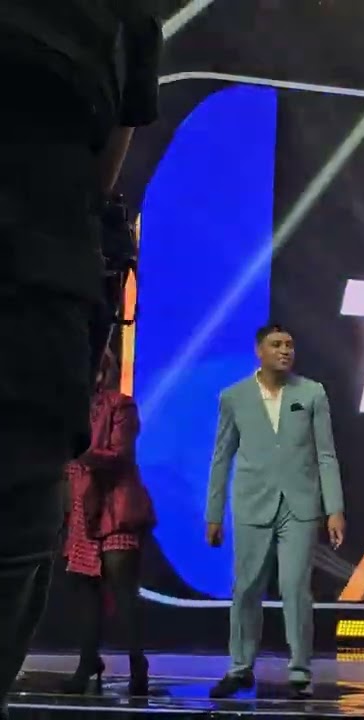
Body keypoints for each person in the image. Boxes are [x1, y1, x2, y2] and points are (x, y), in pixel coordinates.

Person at [0, 1, 160, 709]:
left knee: (63, 574)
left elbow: (112, 454)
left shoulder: (117, 407)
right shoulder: (123, 23)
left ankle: (120, 670)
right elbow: (100, 176)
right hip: (40, 315)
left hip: (37, 341)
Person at [204, 324, 346, 699]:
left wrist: (334, 508)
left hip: (300, 506)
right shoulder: (234, 397)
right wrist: (214, 513)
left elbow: (326, 455)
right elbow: (221, 457)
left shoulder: (312, 392)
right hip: (252, 503)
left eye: (289, 345)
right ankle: (240, 667)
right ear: (259, 350)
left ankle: (300, 670)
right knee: (246, 586)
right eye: (276, 344)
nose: (285, 350)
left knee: (295, 587)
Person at [61, 351, 155, 696]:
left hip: (115, 506)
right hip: (80, 506)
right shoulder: (70, 406)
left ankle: (137, 664)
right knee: (86, 592)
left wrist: (79, 452)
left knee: (123, 591)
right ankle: (87, 662)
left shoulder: (121, 404)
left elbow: (120, 454)